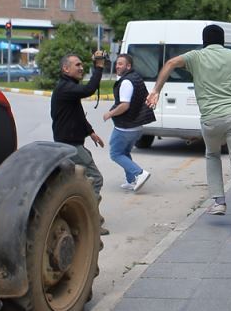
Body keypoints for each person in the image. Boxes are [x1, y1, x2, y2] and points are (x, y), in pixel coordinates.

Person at [146, 24, 231, 239]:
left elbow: (171, 63)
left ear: (204, 41)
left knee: (212, 154)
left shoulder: (196, 56)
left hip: (210, 118)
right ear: (223, 40)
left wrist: (155, 90)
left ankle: (218, 202)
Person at [51, 51, 109, 235]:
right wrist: (99, 68)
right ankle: (90, 220)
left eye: (82, 65)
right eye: (77, 65)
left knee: (80, 181)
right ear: (65, 68)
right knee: (95, 179)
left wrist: (91, 132)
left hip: (71, 144)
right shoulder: (65, 88)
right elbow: (88, 90)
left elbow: (77, 115)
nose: (81, 68)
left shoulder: (68, 88)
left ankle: (83, 216)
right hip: (70, 146)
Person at [103, 54, 155, 193]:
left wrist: (110, 113)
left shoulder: (126, 82)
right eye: (117, 63)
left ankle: (139, 173)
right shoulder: (136, 77)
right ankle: (131, 180)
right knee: (124, 152)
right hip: (136, 127)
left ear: (128, 66)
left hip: (125, 128)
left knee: (115, 154)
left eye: (121, 64)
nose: (117, 66)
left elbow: (125, 105)